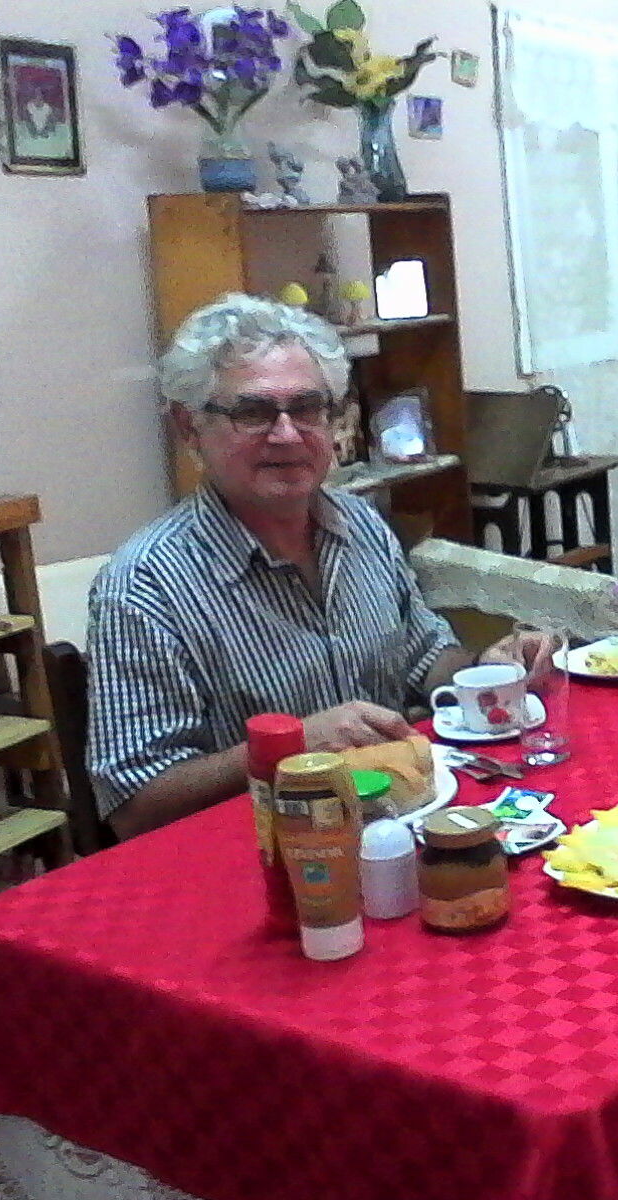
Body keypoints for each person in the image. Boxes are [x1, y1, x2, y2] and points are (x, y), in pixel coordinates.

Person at [88, 294, 547, 840]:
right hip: (257, 860)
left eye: (307, 408)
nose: (286, 434)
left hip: (396, 828)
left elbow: (426, 660)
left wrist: (488, 667)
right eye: (252, 413)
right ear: (190, 429)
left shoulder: (361, 526)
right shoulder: (144, 587)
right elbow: (135, 807)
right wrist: (293, 744)